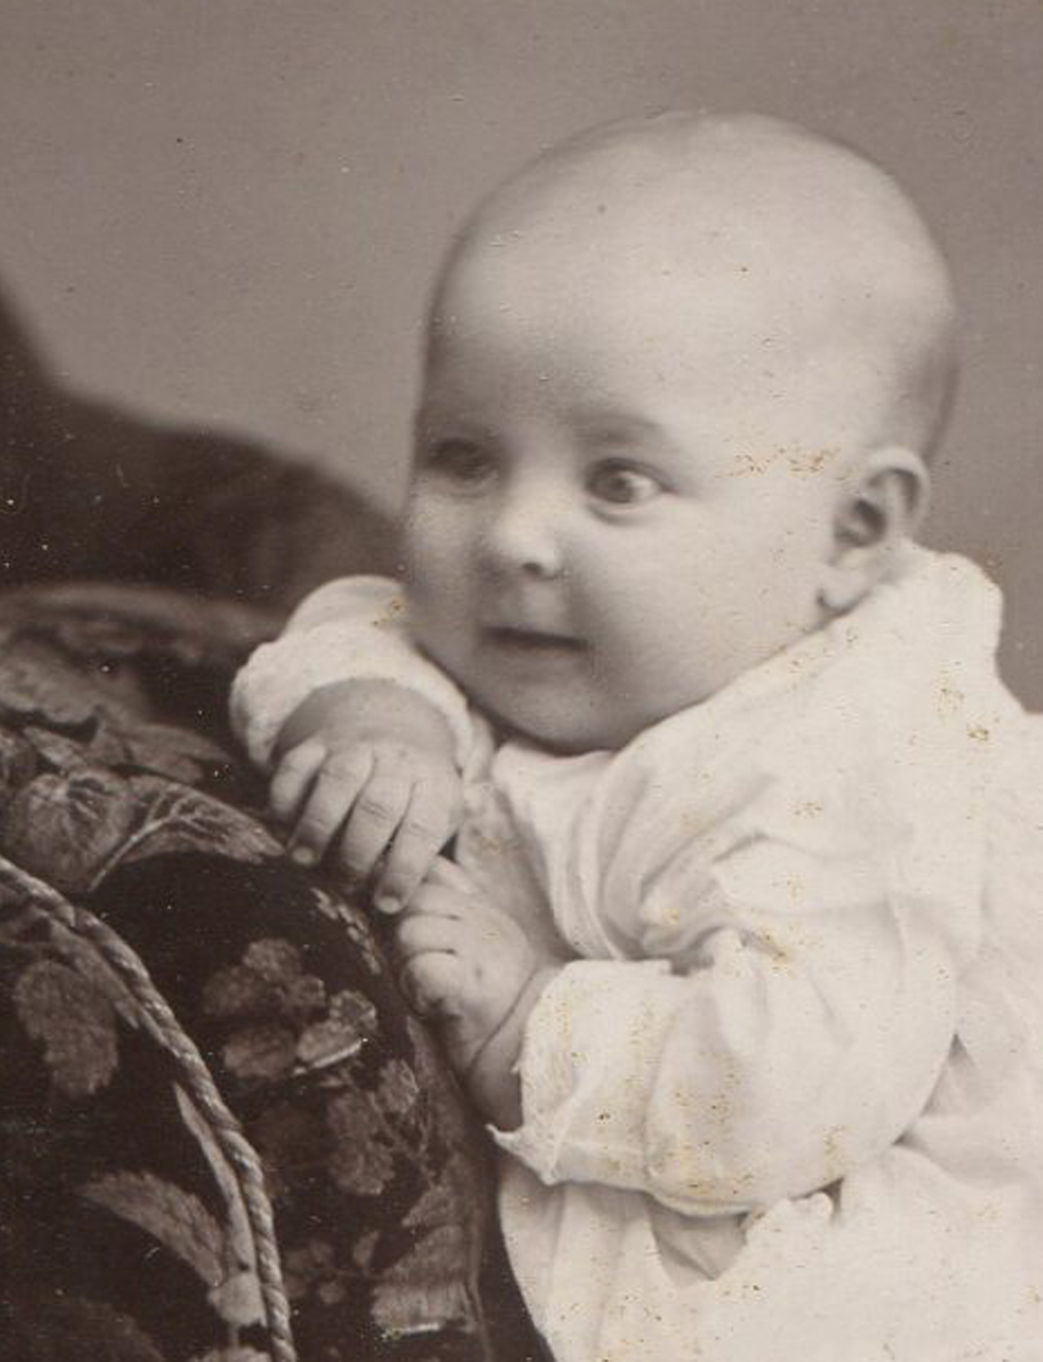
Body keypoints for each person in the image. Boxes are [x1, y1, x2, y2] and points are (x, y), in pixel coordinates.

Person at [230, 112, 1043, 1361]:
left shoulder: (852, 765)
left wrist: (530, 1022)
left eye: (618, 481)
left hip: (910, 1239)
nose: (514, 537)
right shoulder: (564, 642)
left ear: (853, 531)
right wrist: (372, 717)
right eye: (463, 458)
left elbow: (790, 1091)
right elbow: (358, 624)